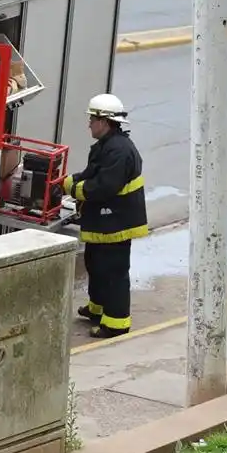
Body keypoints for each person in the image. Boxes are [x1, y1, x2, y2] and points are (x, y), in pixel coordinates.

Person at [61, 93, 148, 339]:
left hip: (116, 223)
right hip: (106, 221)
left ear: (105, 121)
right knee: (96, 264)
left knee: (113, 272)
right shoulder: (107, 146)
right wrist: (69, 180)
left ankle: (116, 323)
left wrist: (74, 190)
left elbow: (103, 186)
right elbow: (92, 172)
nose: (89, 123)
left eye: (92, 119)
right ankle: (98, 308)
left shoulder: (119, 151)